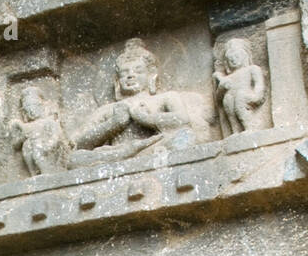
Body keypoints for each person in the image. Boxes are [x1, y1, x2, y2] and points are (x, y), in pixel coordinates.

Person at [69, 38, 210, 166]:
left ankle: (137, 155)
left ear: (151, 75)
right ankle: (127, 155)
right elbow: (81, 143)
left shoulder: (166, 97)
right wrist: (114, 124)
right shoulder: (108, 109)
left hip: (152, 147)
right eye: (124, 73)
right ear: (117, 81)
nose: (130, 75)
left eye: (138, 71)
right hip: (117, 153)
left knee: (186, 137)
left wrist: (147, 118)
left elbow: (184, 121)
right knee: (74, 159)